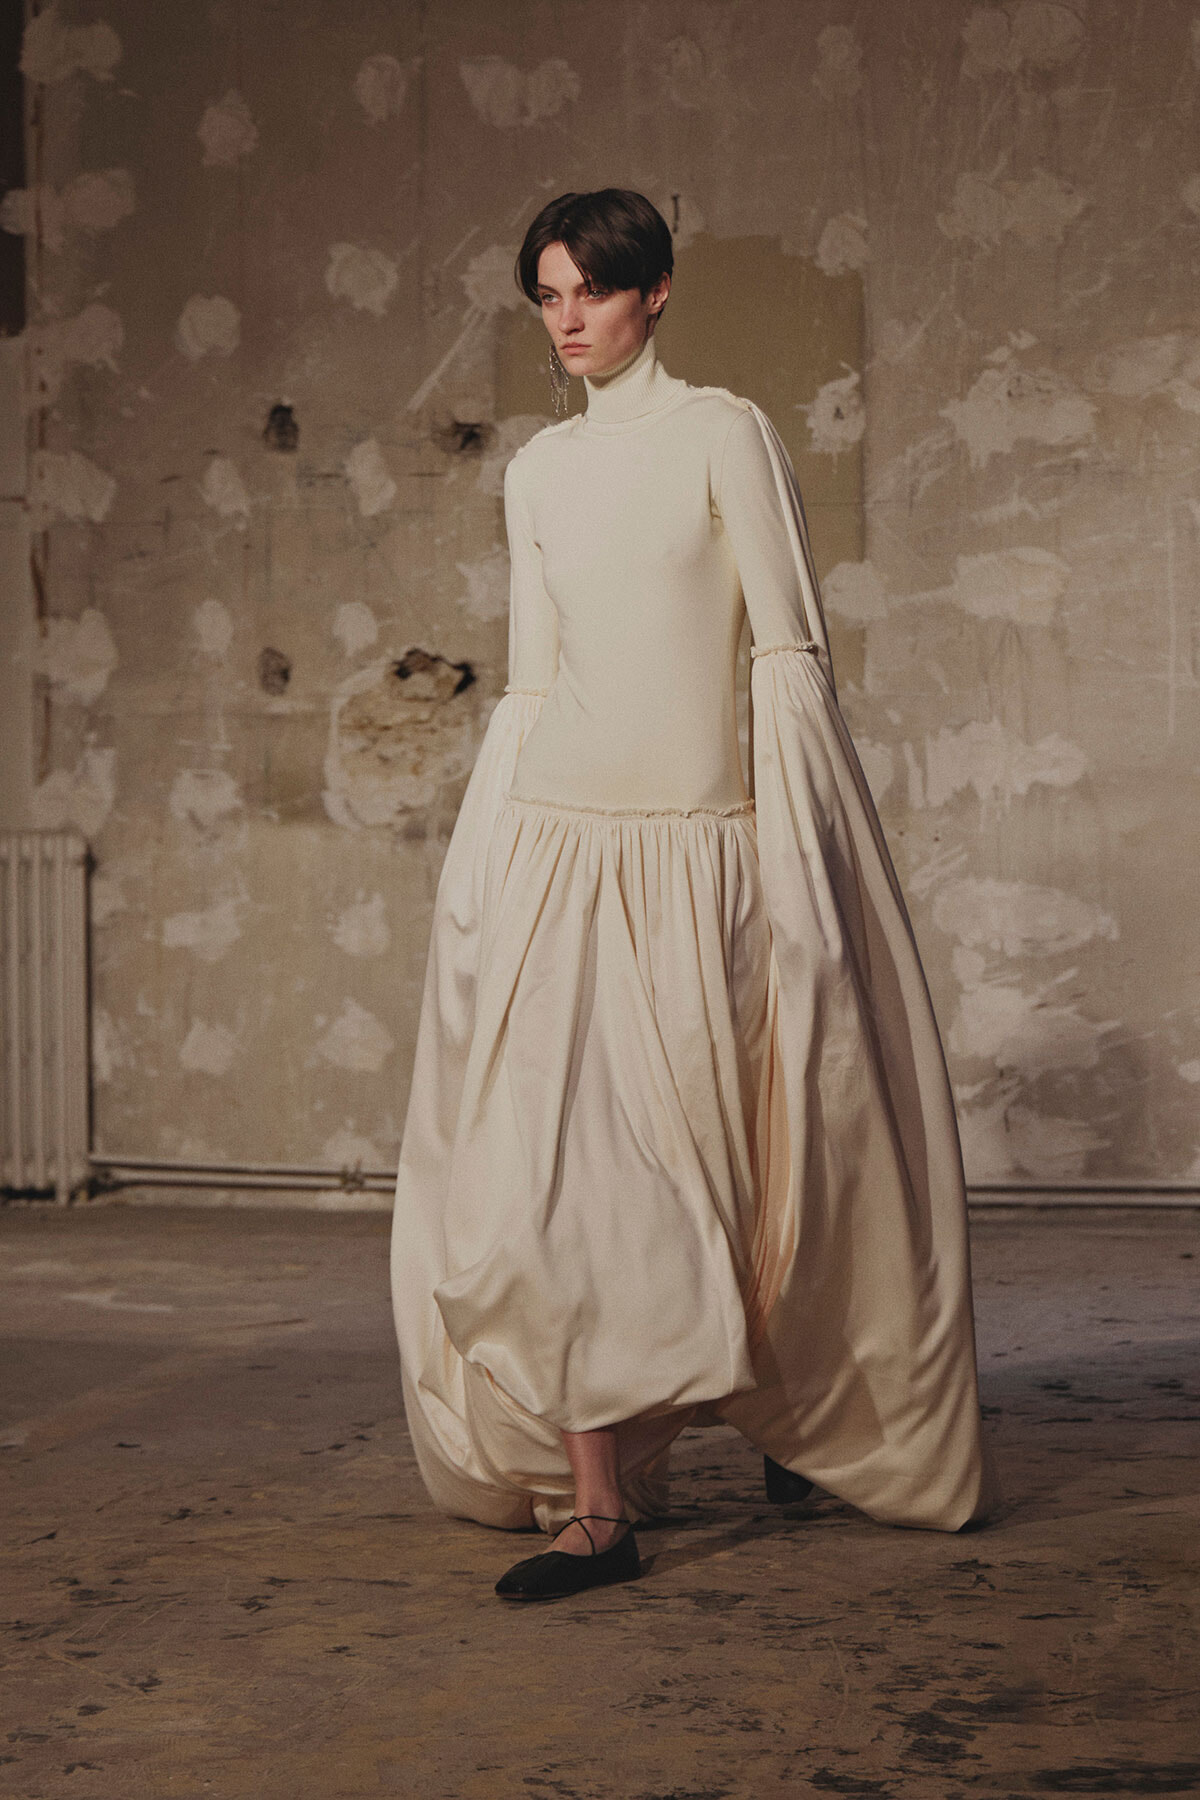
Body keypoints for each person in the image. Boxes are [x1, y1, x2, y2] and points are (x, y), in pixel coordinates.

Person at [390, 188, 996, 1602]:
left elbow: (787, 651)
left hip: (699, 854)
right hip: (558, 849)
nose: (567, 320)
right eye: (547, 296)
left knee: (736, 1163)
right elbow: (531, 681)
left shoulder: (726, 434)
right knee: (558, 1179)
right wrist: (489, 871)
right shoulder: (538, 471)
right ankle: (598, 1507)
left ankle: (791, 1413)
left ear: (654, 291)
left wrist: (808, 861)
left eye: (591, 291)